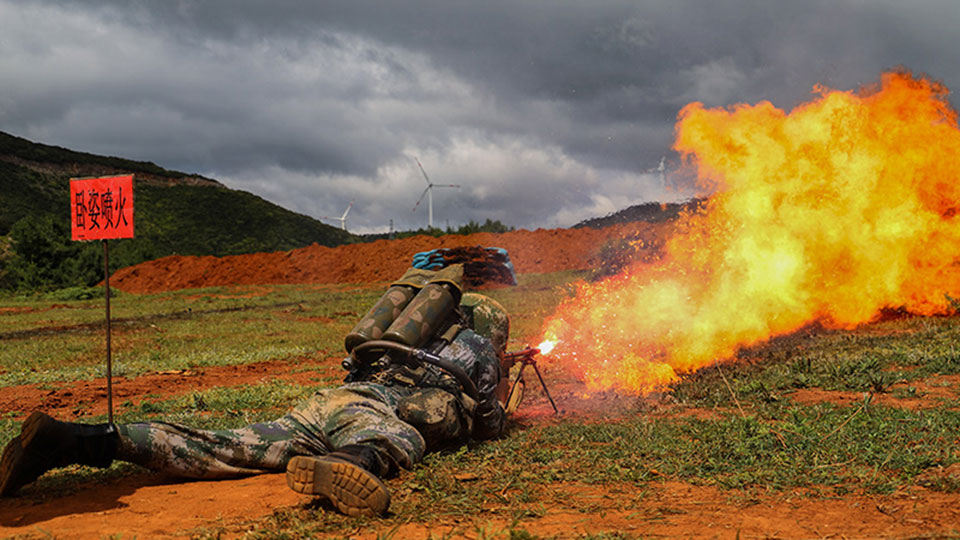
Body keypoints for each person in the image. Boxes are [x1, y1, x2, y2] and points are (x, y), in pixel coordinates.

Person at [0, 264, 509, 517]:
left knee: (216, 444)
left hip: (322, 406)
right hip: (370, 413)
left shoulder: (394, 339)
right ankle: (353, 465)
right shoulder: (477, 348)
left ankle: (80, 439)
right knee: (400, 439)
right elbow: (487, 423)